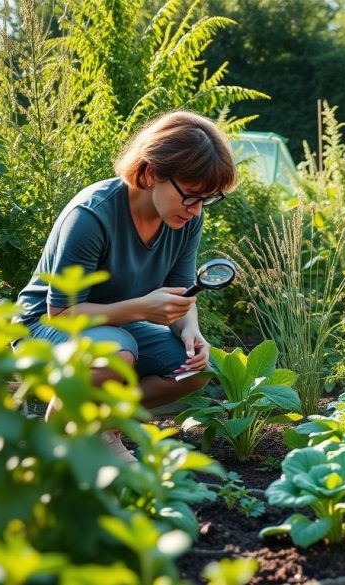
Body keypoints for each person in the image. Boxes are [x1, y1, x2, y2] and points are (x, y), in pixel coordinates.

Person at [14, 111, 237, 461]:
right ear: (150, 173)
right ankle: (105, 439)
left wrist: (191, 331)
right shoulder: (91, 216)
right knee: (117, 352)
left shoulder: (184, 218)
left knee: (193, 371)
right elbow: (60, 313)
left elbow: (182, 293)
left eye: (207, 199)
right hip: (45, 327)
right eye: (192, 196)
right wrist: (142, 309)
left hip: (116, 327)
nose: (196, 210)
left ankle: (83, 420)